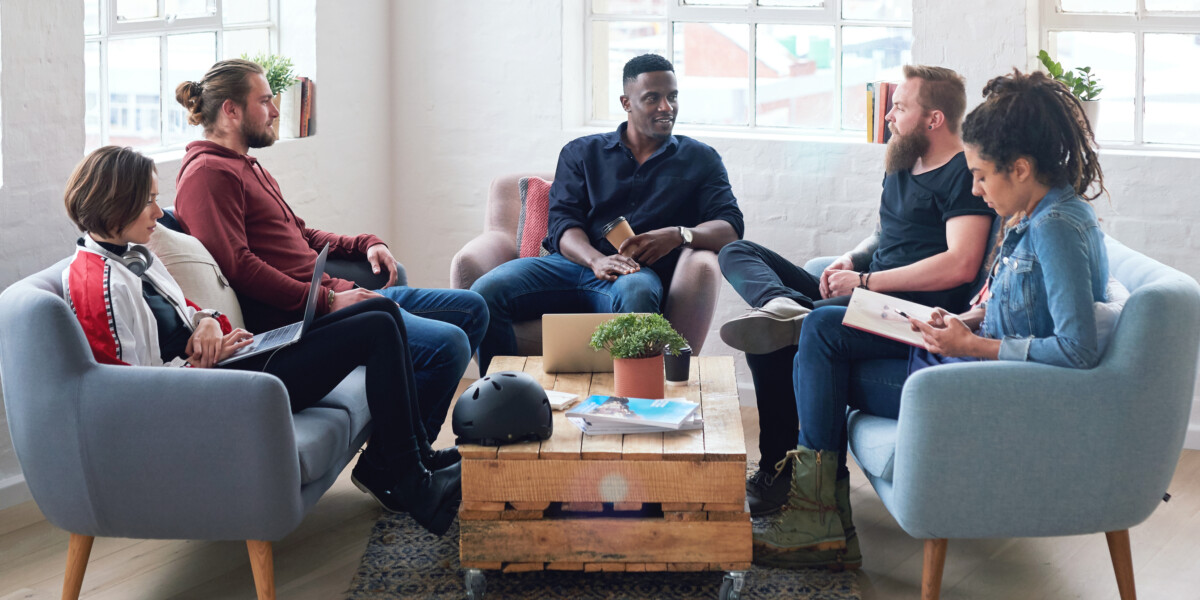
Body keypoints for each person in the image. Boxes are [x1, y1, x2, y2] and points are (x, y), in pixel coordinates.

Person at [754, 69, 1109, 570]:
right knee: (823, 333)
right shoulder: (1034, 215)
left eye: (983, 176)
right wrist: (963, 318)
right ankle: (819, 516)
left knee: (819, 351)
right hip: (967, 363)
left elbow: (1077, 349)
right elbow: (1023, 307)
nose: (978, 191)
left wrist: (972, 346)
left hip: (984, 387)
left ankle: (818, 520)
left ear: (1022, 168)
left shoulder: (1055, 228)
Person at [60, 146, 462, 535]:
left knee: (382, 312)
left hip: (223, 368)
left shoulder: (134, 256)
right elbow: (128, 395)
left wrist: (210, 325)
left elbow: (192, 311)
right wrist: (195, 366)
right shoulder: (100, 285)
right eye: (146, 200)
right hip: (212, 394)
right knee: (375, 328)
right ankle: (413, 482)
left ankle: (416, 460)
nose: (157, 212)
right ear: (115, 202)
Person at [717, 65, 995, 519]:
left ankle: (781, 474)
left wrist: (867, 283)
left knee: (799, 331)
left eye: (900, 106)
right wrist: (853, 258)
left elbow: (959, 263)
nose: (888, 115)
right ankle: (783, 308)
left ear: (934, 119)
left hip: (909, 309)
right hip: (865, 293)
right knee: (738, 252)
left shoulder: (965, 173)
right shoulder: (905, 160)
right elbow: (887, 235)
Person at [171, 59, 486, 450]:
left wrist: (364, 243)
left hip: (334, 295)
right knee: (449, 344)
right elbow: (239, 267)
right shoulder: (208, 174)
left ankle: (400, 454)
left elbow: (300, 234)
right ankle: (400, 458)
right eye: (265, 101)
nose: (274, 112)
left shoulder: (248, 166)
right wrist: (330, 300)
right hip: (303, 321)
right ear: (231, 110)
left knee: (473, 308)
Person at [470, 54, 744, 372]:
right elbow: (563, 224)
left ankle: (634, 405)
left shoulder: (701, 159)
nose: (666, 107)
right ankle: (504, 393)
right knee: (484, 292)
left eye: (672, 96)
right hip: (569, 266)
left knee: (638, 295)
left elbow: (731, 226)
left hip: (634, 273)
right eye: (652, 98)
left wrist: (678, 234)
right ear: (626, 102)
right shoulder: (582, 153)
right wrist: (595, 260)